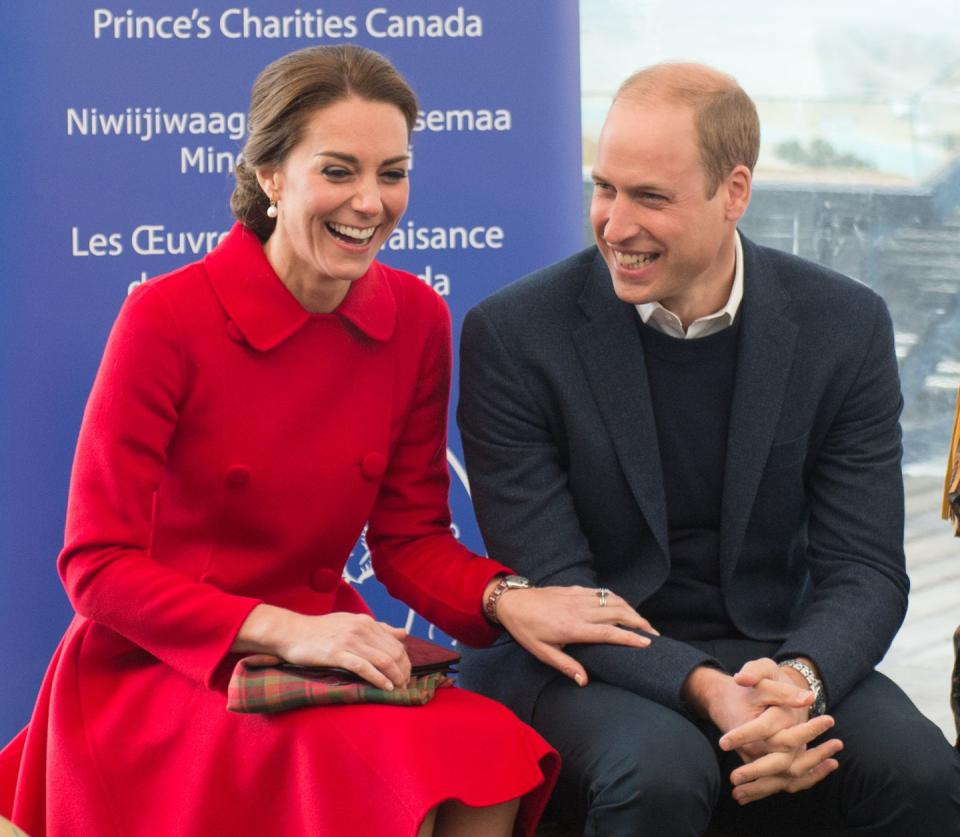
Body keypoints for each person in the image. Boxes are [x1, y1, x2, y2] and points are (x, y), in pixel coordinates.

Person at [0, 45, 654, 837]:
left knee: (492, 760)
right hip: (163, 666)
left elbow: (409, 537)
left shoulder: (416, 318)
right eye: (338, 170)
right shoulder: (165, 319)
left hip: (323, 652)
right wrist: (290, 628)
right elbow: (96, 566)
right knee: (381, 781)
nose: (371, 202)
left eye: (393, 172)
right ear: (271, 175)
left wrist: (507, 598)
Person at [457, 62, 960, 836]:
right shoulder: (516, 335)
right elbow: (560, 585)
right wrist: (709, 688)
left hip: (774, 650)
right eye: (605, 188)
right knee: (658, 772)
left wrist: (801, 680)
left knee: (919, 770)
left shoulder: (844, 324)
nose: (616, 225)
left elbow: (865, 569)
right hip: (589, 662)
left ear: (735, 192)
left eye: (650, 197)